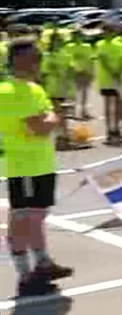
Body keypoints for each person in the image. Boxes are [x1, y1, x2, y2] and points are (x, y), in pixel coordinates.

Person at [0, 37, 74, 296]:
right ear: (18, 60)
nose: (38, 61)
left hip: (40, 162)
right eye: (34, 57)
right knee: (23, 219)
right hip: (25, 164)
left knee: (37, 216)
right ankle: (24, 275)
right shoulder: (11, 91)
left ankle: (43, 264)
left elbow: (45, 118)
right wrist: (54, 115)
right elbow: (41, 127)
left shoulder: (34, 88)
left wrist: (51, 115)